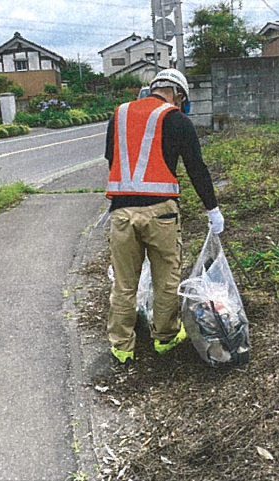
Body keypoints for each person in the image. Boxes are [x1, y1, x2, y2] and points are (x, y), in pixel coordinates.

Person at [104, 68, 224, 364]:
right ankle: (165, 339)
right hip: (161, 215)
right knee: (166, 279)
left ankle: (121, 346)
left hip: (120, 213)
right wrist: (213, 208)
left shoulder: (118, 115)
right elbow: (196, 167)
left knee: (124, 282)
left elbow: (111, 158)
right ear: (179, 94)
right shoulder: (177, 119)